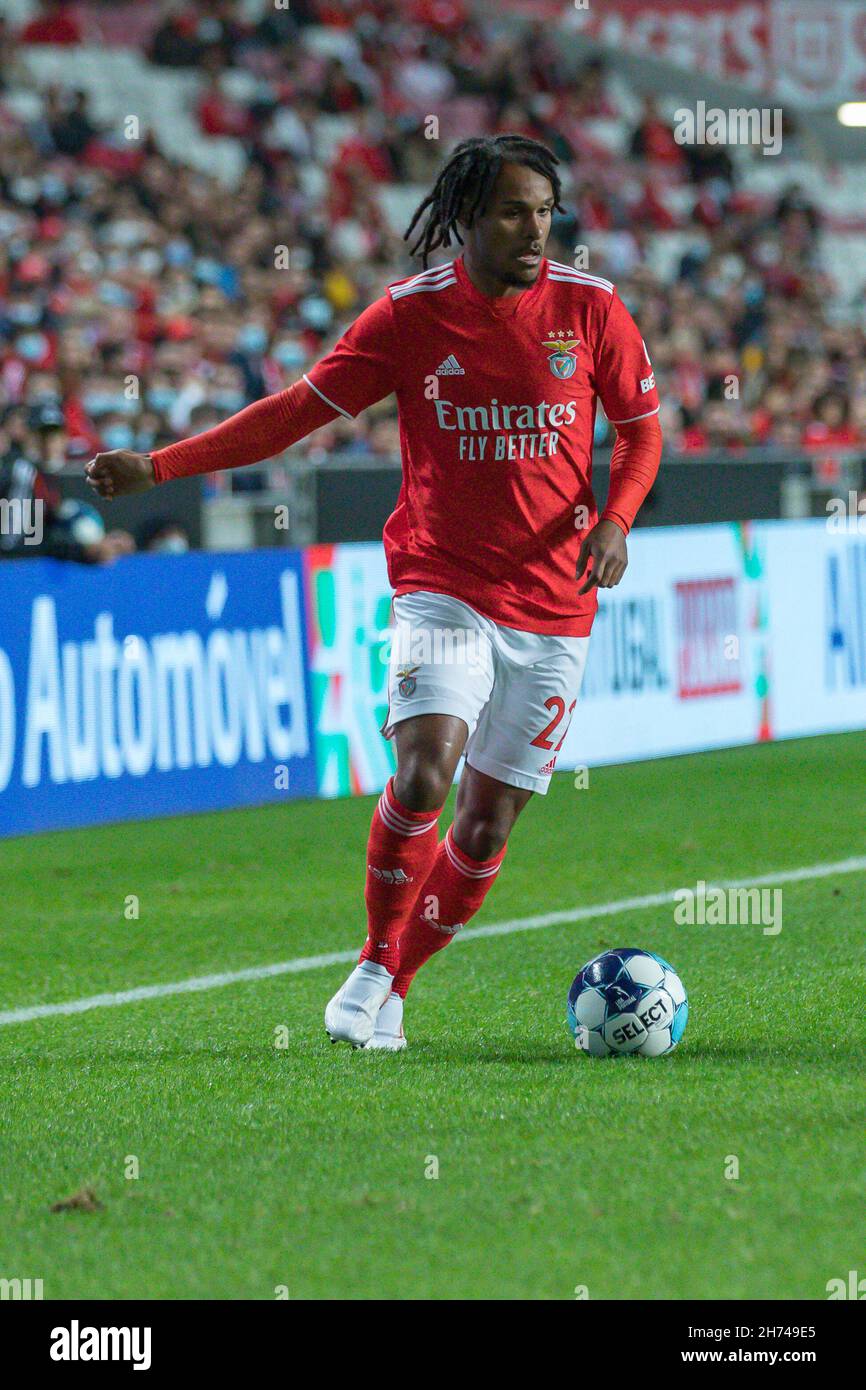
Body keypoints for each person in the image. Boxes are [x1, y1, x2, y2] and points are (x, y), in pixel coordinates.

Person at [85, 134, 662, 1050]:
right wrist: (160, 466)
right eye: (514, 211)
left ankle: (392, 981)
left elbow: (639, 433)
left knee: (484, 824)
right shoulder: (408, 316)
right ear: (468, 218)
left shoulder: (592, 309)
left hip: (556, 608)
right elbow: (293, 413)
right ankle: (370, 962)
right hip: (442, 585)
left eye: (545, 211)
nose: (534, 230)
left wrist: (617, 521)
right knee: (426, 768)